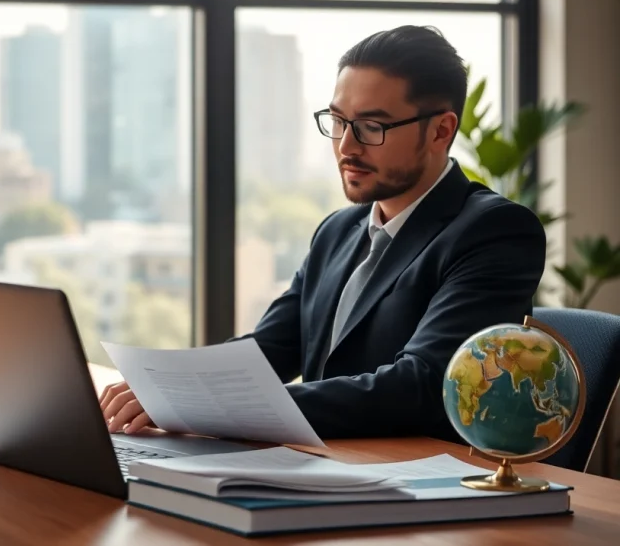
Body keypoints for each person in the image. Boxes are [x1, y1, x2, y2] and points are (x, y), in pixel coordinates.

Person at [99, 25, 547, 443]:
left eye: (372, 127)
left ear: (440, 130)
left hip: (417, 490)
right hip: (330, 470)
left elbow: (424, 385)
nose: (346, 147)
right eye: (337, 121)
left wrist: (206, 407)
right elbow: (270, 348)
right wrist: (167, 387)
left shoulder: (494, 231)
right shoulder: (338, 230)